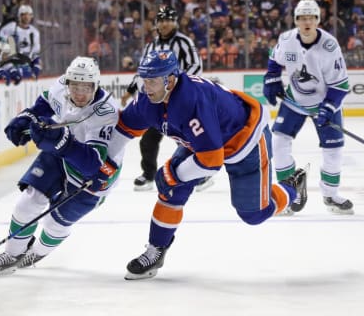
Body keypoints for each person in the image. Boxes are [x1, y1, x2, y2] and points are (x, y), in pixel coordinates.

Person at [110, 49, 308, 280]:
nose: (146, 87)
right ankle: (157, 250)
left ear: (170, 79)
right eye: (144, 80)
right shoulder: (148, 98)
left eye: (152, 80)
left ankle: (292, 187)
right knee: (170, 190)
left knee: (254, 214)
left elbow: (210, 161)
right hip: (204, 142)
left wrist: (174, 174)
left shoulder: (191, 101)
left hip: (245, 141)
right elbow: (124, 128)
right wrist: (105, 163)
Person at [0, 56, 122, 274]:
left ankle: (38, 251)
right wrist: (25, 119)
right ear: (68, 83)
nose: (80, 93)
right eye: (75, 85)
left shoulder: (106, 112)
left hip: (96, 175)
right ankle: (12, 254)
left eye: (86, 87)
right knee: (28, 202)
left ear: (96, 85)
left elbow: (94, 164)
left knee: (55, 223)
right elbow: (44, 105)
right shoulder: (60, 87)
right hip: (62, 150)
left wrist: (63, 144)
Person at [263, 0, 353, 215]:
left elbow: (341, 85)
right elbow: (274, 60)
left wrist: (329, 107)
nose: (306, 22)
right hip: (295, 102)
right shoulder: (286, 39)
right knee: (279, 142)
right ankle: (287, 193)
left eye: (311, 17)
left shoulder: (329, 47)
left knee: (334, 150)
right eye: (302, 18)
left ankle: (330, 195)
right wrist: (272, 78)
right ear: (296, 20)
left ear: (317, 20)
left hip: (324, 103)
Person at [120, 6, 203, 191]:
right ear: (156, 23)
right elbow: (143, 72)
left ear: (175, 22)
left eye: (169, 20)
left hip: (179, 100)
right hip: (157, 101)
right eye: (161, 20)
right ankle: (148, 175)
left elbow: (196, 66)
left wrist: (179, 87)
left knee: (186, 137)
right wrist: (130, 91)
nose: (165, 23)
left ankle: (201, 172)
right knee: (148, 139)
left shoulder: (185, 42)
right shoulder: (151, 46)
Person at [0, 4, 41, 79]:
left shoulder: (35, 32)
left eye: (29, 15)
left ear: (32, 16)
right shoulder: (9, 28)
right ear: (19, 16)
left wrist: (36, 66)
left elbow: (35, 53)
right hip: (11, 63)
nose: (27, 17)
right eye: (24, 14)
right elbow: (2, 47)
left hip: (26, 65)